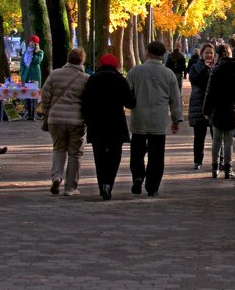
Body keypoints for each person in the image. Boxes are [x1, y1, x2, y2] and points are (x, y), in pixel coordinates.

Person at [127, 40, 183, 197]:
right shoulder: (169, 74)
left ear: (148, 52)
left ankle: (138, 176)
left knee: (137, 152)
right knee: (156, 155)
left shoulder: (135, 72)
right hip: (158, 120)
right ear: (163, 55)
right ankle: (152, 186)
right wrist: (176, 119)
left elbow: (127, 94)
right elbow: (175, 99)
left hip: (139, 118)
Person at [81, 53, 136, 200]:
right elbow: (130, 102)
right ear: (115, 65)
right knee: (115, 154)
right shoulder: (119, 79)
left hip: (96, 122)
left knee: (99, 156)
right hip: (115, 122)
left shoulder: (93, 79)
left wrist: (86, 119)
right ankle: (108, 183)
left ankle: (102, 184)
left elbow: (85, 101)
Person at [41, 47, 89, 196]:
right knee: (75, 153)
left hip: (55, 119)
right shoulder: (85, 78)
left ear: (68, 59)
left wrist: (47, 109)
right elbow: (88, 101)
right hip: (76, 120)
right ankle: (70, 187)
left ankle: (56, 176)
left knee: (58, 148)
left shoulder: (55, 74)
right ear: (82, 60)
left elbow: (45, 94)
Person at [202, 42, 235, 179]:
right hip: (232, 109)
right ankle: (228, 169)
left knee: (216, 140)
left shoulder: (215, 69)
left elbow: (209, 93)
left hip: (217, 109)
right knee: (228, 141)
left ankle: (215, 168)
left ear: (218, 55)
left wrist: (206, 110)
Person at [188, 42, 215, 170]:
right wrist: (205, 68)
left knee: (216, 136)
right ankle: (197, 160)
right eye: (206, 53)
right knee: (199, 136)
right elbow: (195, 81)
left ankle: (218, 160)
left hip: (214, 106)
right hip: (199, 104)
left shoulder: (217, 66)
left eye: (211, 52)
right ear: (202, 54)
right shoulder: (196, 66)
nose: (209, 55)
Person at [20, 34, 44, 120]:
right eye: (31, 42)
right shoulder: (26, 52)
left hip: (34, 76)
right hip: (26, 76)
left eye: (34, 43)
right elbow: (22, 63)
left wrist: (34, 52)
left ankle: (33, 114)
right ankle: (28, 112)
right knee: (27, 94)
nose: (32, 44)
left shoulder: (40, 52)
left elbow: (37, 61)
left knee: (33, 95)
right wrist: (21, 73)